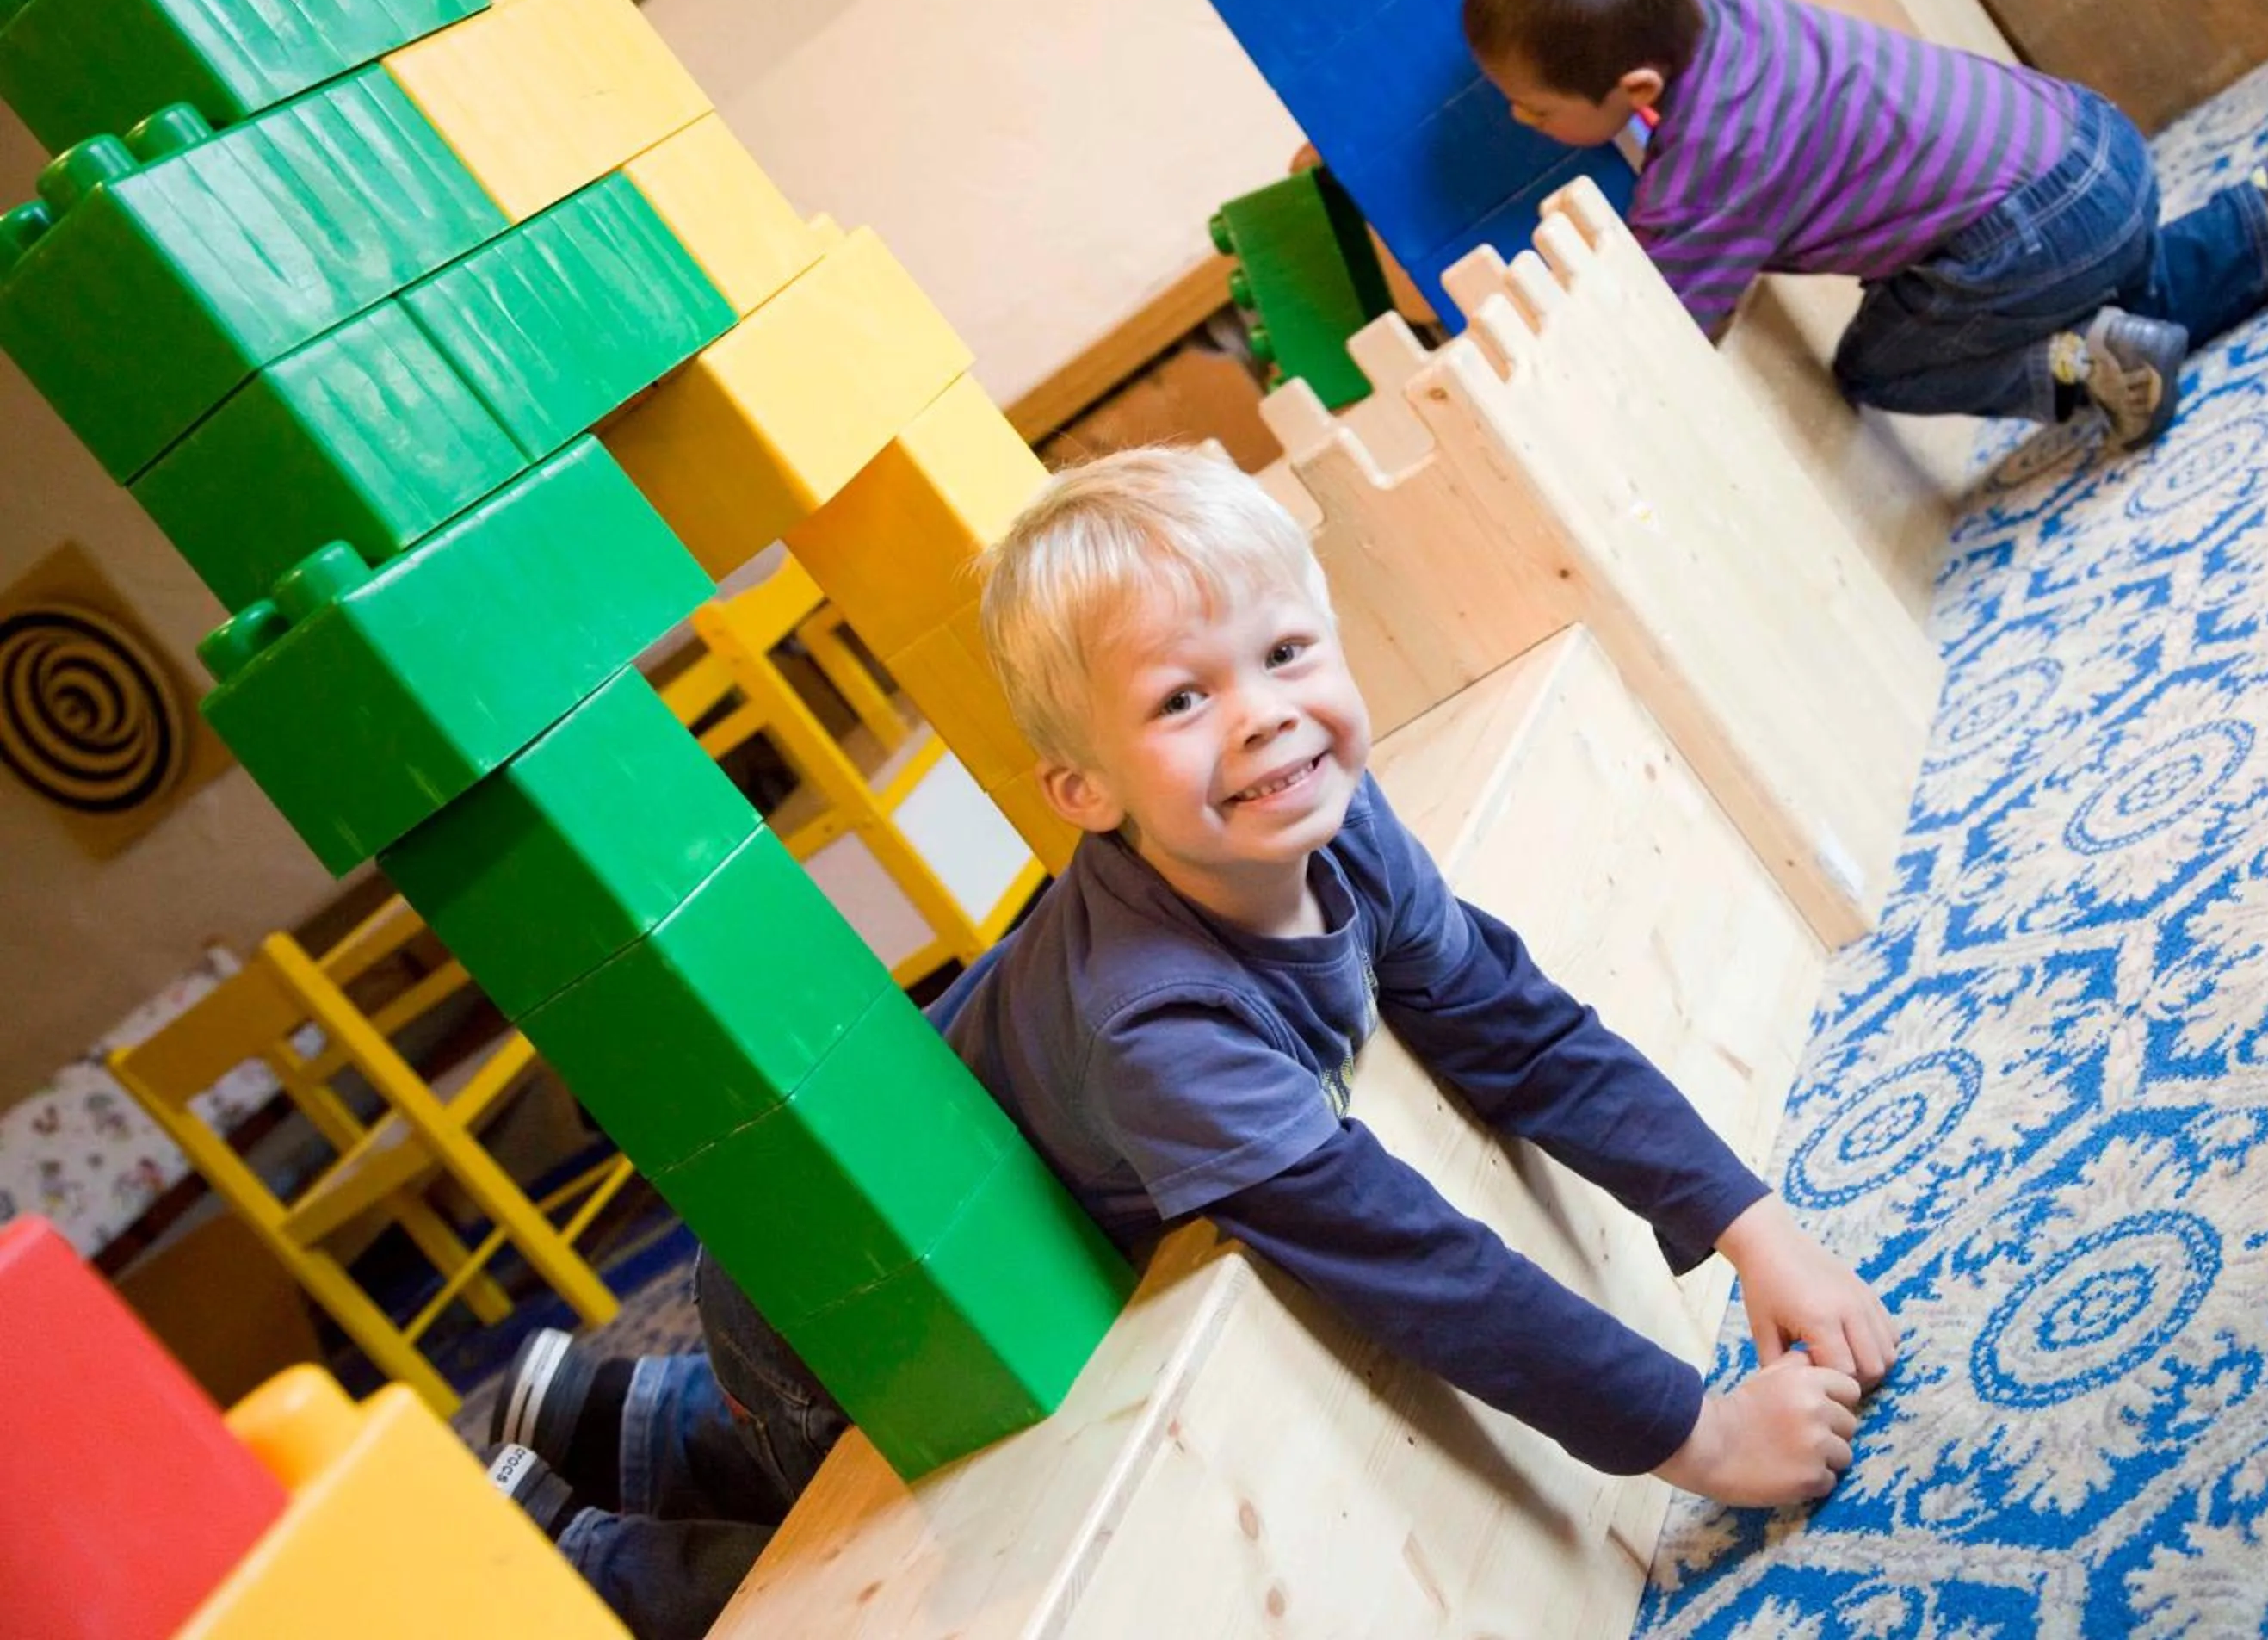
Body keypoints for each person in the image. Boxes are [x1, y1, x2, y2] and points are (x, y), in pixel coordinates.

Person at [483, 447, 1898, 1631]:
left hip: (1009, 1097)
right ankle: (606, 1540)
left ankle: (608, 1423)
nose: (1265, 714)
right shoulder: (1163, 1024)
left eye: (1285, 652)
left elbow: (1513, 1027)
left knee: (777, 1460)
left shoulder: (1332, 815)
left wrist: (1747, 1224)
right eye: (1183, 698)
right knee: (810, 1516)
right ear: (1082, 789)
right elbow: (1411, 1262)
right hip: (839, 1296)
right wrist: (1695, 1435)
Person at [1460, 0, 2268, 447]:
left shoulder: (1706, 164)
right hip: (2093, 142)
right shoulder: (1730, 9)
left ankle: (2079, 360)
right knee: (2141, 302)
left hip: (2033, 228)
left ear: (1639, 92)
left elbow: (1667, 316)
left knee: (1878, 363)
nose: (1518, 122)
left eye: (1535, 109)